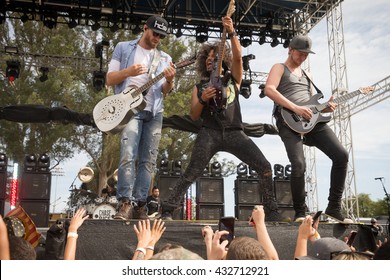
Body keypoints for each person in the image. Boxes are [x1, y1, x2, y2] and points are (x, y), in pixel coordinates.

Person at [161, 15, 279, 221]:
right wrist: (203, 99)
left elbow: (238, 55)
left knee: (265, 167)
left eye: (212, 59)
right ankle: (168, 210)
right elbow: (194, 115)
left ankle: (272, 212)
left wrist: (231, 31)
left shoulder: (233, 78)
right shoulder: (199, 86)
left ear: (220, 60)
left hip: (235, 133)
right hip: (210, 133)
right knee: (192, 172)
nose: (209, 62)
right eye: (206, 60)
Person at [264, 34, 352, 223]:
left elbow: (312, 104)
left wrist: (326, 107)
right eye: (300, 53)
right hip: (288, 120)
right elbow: (269, 90)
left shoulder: (308, 76)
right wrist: (295, 108)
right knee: (299, 165)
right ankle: (300, 212)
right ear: (290, 49)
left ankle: (334, 207)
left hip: (311, 121)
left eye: (306, 54)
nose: (303, 57)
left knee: (341, 155)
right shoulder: (279, 68)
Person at [106, 15, 176, 220]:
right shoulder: (124, 48)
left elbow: (165, 90)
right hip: (130, 110)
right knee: (128, 155)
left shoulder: (165, 58)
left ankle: (140, 205)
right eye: (155, 33)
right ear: (145, 28)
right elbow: (110, 79)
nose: (157, 38)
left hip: (154, 111)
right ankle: (125, 202)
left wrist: (170, 81)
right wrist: (129, 71)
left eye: (161, 36)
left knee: (149, 161)